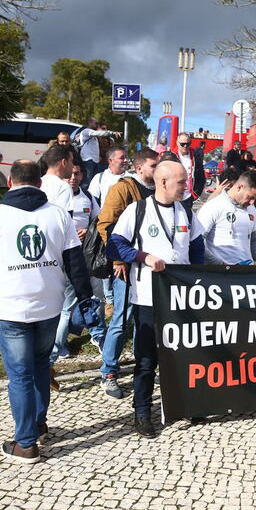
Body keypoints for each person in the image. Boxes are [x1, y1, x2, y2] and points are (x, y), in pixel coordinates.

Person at [0, 159, 92, 463]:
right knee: (40, 366)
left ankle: (26, 442)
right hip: (49, 307)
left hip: (12, 309)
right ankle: (38, 423)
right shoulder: (59, 216)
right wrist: (85, 298)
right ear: (39, 184)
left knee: (20, 376)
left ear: (11, 182)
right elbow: (75, 263)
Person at [106, 160, 205, 437]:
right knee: (147, 359)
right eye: (182, 182)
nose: (187, 186)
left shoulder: (185, 211)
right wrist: (142, 257)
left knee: (181, 355)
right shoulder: (138, 210)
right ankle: (142, 412)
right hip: (148, 298)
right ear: (163, 182)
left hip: (181, 298)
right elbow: (114, 244)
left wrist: (194, 276)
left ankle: (182, 405)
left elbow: (197, 245)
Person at [95, 158, 147, 398]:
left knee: (142, 320)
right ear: (140, 167)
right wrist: (117, 259)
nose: (158, 170)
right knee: (122, 319)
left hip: (147, 269)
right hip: (126, 266)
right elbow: (105, 224)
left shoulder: (160, 191)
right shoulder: (124, 187)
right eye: (153, 165)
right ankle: (109, 372)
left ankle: (141, 367)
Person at [51, 161, 106, 364]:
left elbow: (99, 219)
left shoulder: (88, 197)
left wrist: (89, 229)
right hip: (66, 258)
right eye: (70, 174)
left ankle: (98, 335)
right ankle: (56, 348)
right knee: (67, 305)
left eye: (77, 174)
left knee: (96, 298)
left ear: (82, 176)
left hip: (88, 256)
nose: (73, 178)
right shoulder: (56, 198)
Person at [197, 170, 256, 265]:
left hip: (247, 272)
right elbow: (197, 242)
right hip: (221, 274)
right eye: (250, 197)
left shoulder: (250, 208)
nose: (252, 202)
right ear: (239, 187)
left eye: (255, 199)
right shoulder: (213, 206)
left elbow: (254, 239)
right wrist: (220, 264)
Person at [76, 118, 119, 186]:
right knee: (87, 182)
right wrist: (111, 132)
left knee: (94, 183)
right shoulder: (86, 131)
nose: (97, 125)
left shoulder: (95, 137)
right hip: (88, 161)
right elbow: (98, 133)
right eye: (96, 123)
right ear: (90, 123)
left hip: (95, 162)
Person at [38, 145, 74, 214]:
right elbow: (65, 219)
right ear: (64, 162)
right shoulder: (63, 187)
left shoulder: (36, 183)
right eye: (71, 161)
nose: (73, 165)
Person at [175, 133, 205, 212]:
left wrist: (196, 194)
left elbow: (201, 177)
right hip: (174, 195)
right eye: (182, 144)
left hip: (188, 196)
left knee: (187, 220)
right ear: (177, 143)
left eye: (188, 144)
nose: (185, 146)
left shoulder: (196, 156)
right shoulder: (171, 156)